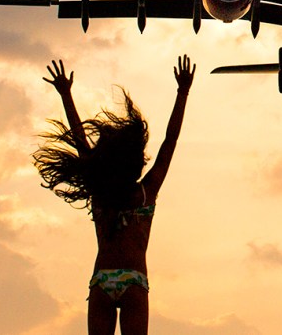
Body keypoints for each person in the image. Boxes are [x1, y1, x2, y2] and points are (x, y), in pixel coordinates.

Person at [34, 56, 195, 335]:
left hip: (102, 280)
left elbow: (81, 142)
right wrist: (182, 92)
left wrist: (66, 95)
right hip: (133, 280)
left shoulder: (101, 190)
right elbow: (170, 141)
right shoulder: (145, 192)